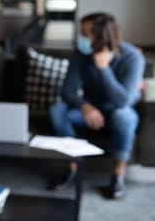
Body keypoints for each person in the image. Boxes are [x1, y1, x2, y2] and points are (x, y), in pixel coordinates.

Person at [49, 12, 145, 199]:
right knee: (56, 110)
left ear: (102, 36)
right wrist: (85, 106)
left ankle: (118, 175)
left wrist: (103, 68)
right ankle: (73, 167)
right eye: (81, 32)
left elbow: (122, 101)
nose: (81, 38)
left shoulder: (132, 57)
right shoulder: (80, 54)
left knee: (123, 116)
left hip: (119, 112)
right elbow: (68, 92)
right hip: (90, 110)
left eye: (86, 34)